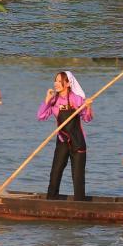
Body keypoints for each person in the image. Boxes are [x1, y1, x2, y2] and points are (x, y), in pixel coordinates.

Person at [37, 71, 93, 201]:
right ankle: (51, 200)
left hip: (78, 142)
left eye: (59, 81)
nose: (56, 84)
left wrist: (89, 107)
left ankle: (79, 203)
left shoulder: (76, 99)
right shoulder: (54, 100)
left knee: (78, 176)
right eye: (55, 80)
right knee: (55, 172)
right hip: (62, 141)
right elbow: (40, 116)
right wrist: (47, 99)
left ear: (68, 83)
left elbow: (87, 118)